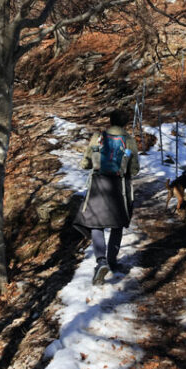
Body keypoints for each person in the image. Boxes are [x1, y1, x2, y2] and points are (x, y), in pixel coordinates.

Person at [73, 109, 140, 285]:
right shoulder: (129, 140)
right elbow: (134, 169)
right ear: (125, 123)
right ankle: (112, 261)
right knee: (117, 225)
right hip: (119, 187)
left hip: (98, 185)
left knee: (97, 224)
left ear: (110, 121)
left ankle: (101, 261)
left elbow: (85, 163)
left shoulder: (98, 137)